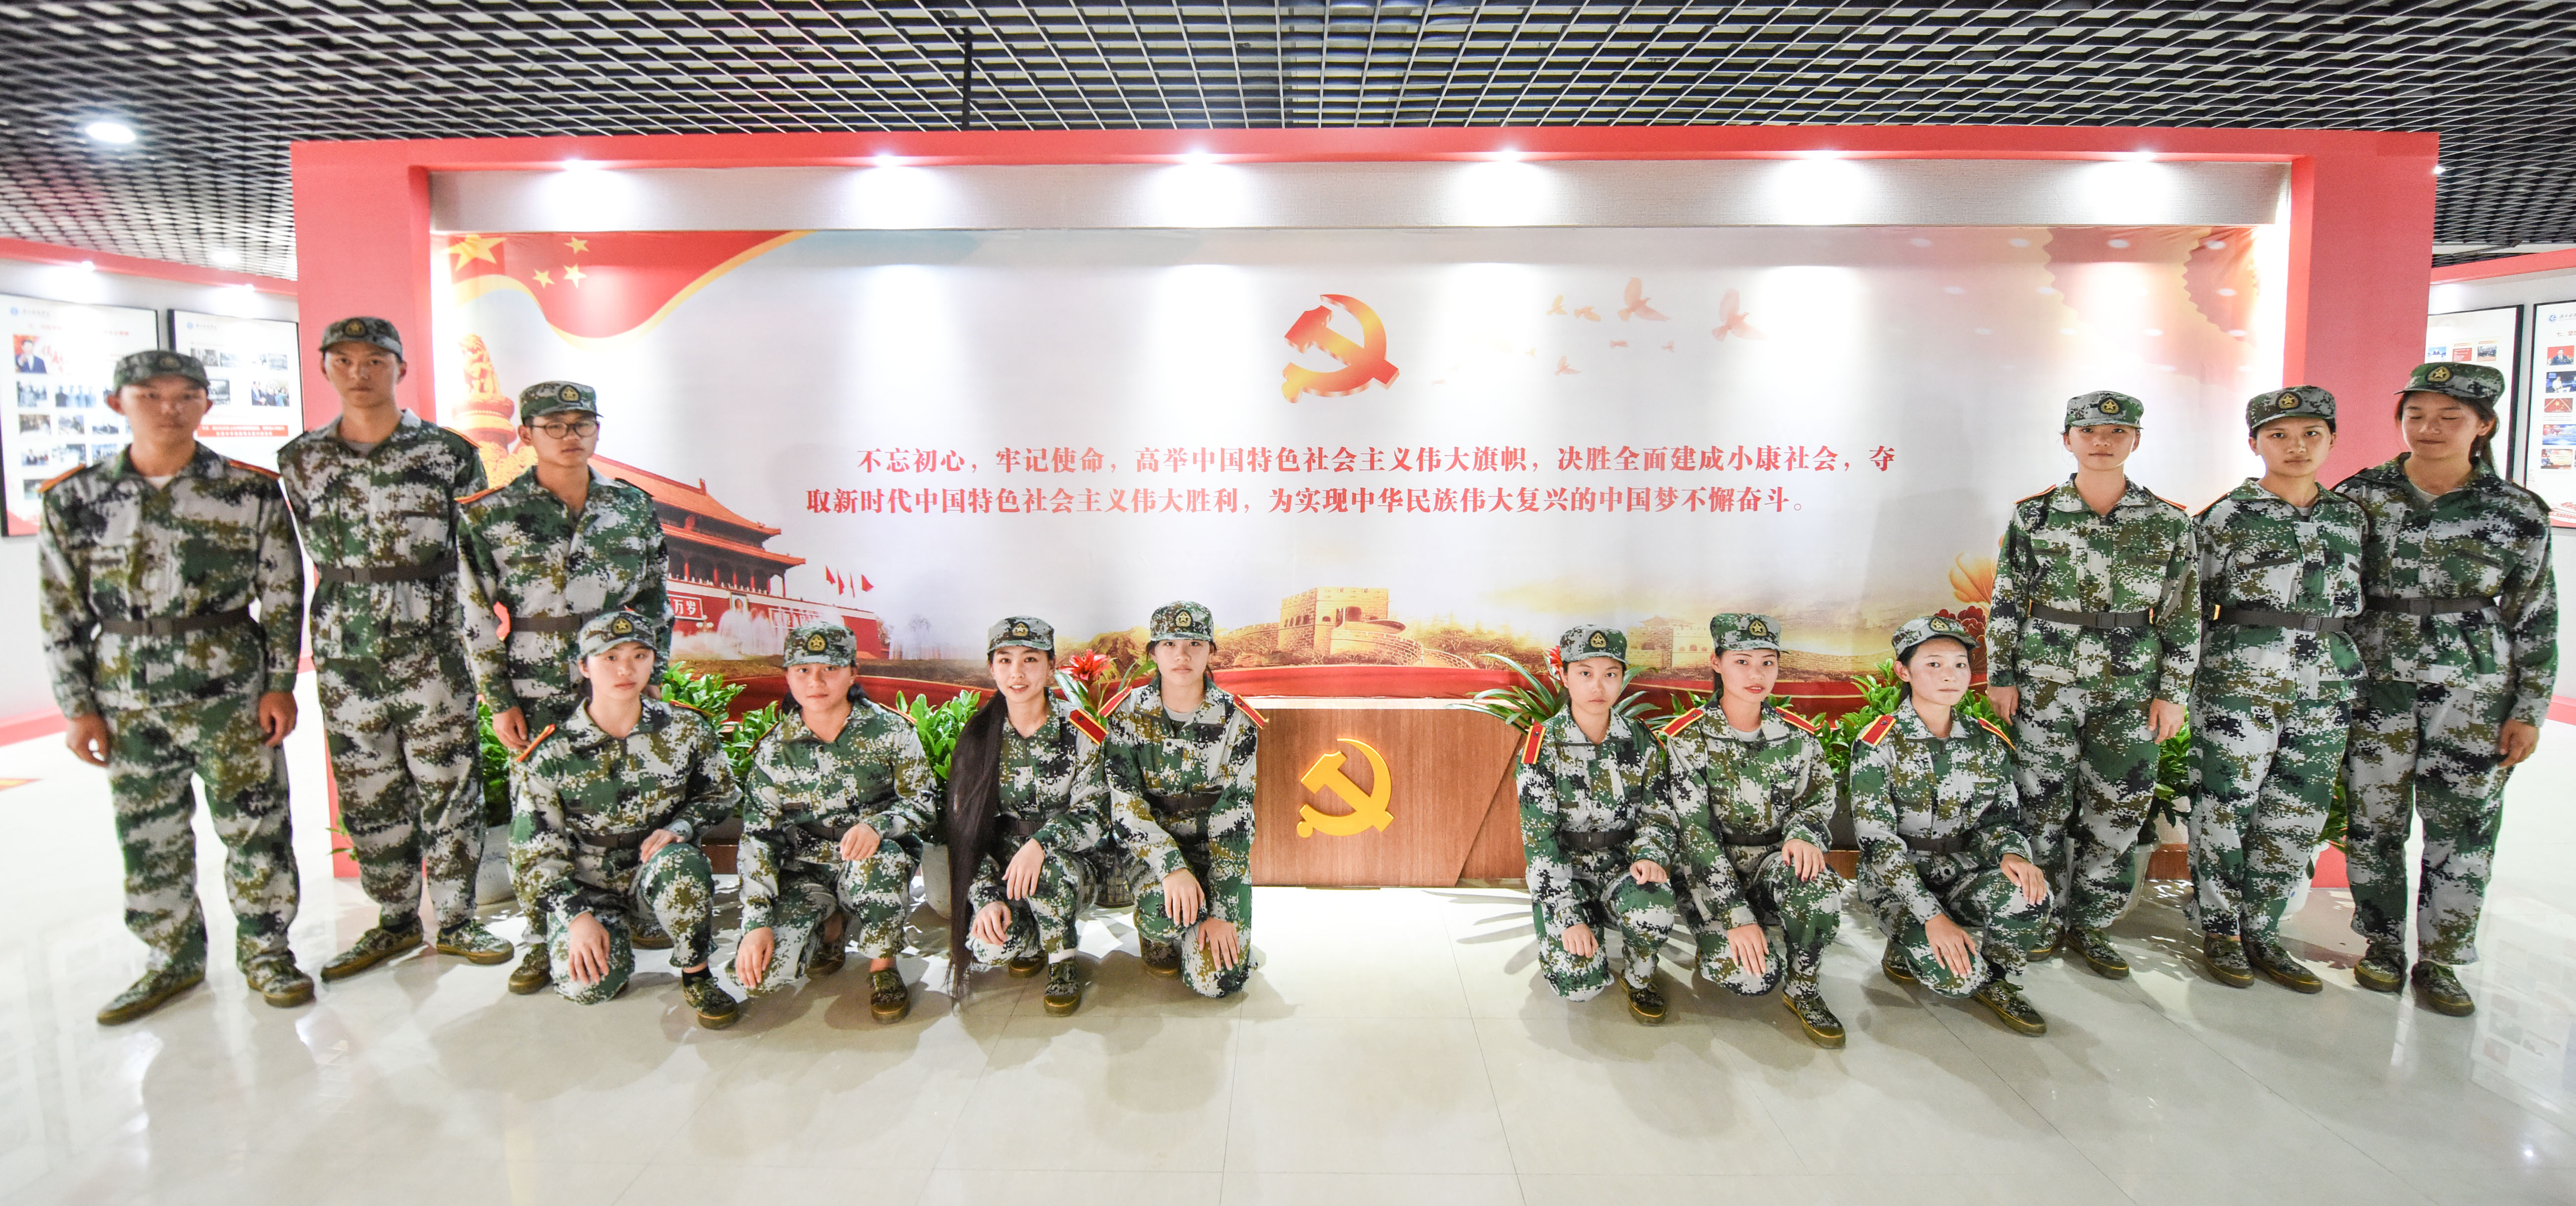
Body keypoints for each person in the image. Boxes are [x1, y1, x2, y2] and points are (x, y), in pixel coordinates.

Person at [38, 350, 310, 1023]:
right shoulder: (75, 498)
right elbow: (59, 610)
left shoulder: (248, 491)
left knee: (257, 826)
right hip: (126, 696)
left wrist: (280, 682)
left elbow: (282, 592)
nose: (170, 408)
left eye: (186, 395)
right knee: (149, 835)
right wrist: (77, 706)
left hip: (231, 689)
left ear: (206, 404)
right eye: (151, 395)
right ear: (118, 403)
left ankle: (268, 951)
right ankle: (171, 959)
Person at [276, 317, 510, 980]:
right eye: (344, 359)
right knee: (367, 788)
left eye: (375, 359)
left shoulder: (448, 453)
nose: (360, 372)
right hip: (346, 653)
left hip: (432, 646)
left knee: (450, 784)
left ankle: (458, 918)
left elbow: (474, 558)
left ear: (400, 368)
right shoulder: (301, 461)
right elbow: (297, 562)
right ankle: (395, 918)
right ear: (325, 366)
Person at [2338, 362, 2558, 1016]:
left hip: (2473, 692)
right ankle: (2381, 944)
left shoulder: (2516, 511)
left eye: (2449, 417)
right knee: (2373, 820)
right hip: (2375, 684)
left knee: (2462, 827)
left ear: (2483, 425)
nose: (2428, 428)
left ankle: (2441, 959)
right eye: (2416, 415)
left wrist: (2529, 708)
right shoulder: (2361, 497)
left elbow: (2535, 614)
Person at [456, 381, 670, 995]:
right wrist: (499, 699)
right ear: (526, 434)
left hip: (620, 673)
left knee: (630, 785)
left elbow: (655, 596)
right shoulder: (490, 513)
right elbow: (474, 614)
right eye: (553, 425)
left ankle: (636, 905)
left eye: (581, 424)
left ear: (597, 430)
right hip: (537, 675)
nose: (570, 436)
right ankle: (544, 926)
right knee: (538, 806)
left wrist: (654, 673)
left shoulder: (630, 507)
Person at [1984, 389, 2200, 978]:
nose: (2102, 442)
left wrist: (2173, 693)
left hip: (2132, 686)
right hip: (2045, 682)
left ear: (2136, 440)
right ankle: (2040, 914)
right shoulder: (2035, 516)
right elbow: (2006, 601)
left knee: (2120, 809)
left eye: (2117, 432)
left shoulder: (2168, 521)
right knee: (2039, 805)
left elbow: (2182, 612)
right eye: (2088, 432)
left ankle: (2092, 923)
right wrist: (2000, 676)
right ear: (2068, 439)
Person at [2187, 387, 2367, 992]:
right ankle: (2220, 930)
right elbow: (2190, 608)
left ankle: (2262, 930)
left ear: (2332, 439)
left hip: (2326, 684)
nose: (2296, 447)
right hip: (2241, 682)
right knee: (2226, 804)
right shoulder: (2224, 518)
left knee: (2297, 810)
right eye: (2279, 435)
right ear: (2255, 443)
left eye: (2311, 434)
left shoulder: (2349, 518)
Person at [509, 611, 739, 1028]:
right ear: (584, 666)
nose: (625, 670)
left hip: (657, 871)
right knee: (588, 988)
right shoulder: (554, 752)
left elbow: (721, 793)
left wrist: (681, 827)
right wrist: (577, 919)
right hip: (590, 885)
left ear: (653, 661)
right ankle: (591, 934)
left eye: (638, 656)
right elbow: (534, 855)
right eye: (610, 657)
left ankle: (697, 974)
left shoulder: (684, 729)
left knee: (682, 862)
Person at [1853, 615, 2054, 1035]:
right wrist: (1931, 916)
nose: (1950, 675)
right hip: (1898, 884)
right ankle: (1908, 940)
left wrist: (2012, 853)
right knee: (1955, 980)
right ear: (1903, 671)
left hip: (1963, 873)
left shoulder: (1986, 740)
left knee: (2031, 894)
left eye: (1960, 664)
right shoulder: (1878, 743)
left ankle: (1995, 979)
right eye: (1934, 664)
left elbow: (2001, 819)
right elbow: (1878, 844)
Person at [733, 621, 940, 1023]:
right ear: (788, 675)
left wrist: (878, 826)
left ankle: (883, 965)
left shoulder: (889, 730)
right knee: (761, 976)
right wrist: (756, 921)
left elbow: (924, 802)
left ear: (852, 672)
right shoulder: (774, 750)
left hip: (870, 858)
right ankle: (831, 925)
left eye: (829, 668)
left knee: (878, 861)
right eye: (803, 670)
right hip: (805, 868)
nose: (816, 681)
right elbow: (758, 837)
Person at [1659, 614, 1849, 1046]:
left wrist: (1803, 833)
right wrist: (1735, 913)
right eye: (1742, 662)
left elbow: (1815, 802)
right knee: (1752, 978)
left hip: (1771, 864)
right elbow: (1695, 834)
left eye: (1767, 662)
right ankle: (1722, 936)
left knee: (1818, 883)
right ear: (1716, 662)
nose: (1756, 675)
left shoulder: (1798, 738)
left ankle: (1804, 989)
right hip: (1710, 877)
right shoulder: (1686, 739)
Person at [941, 617, 1113, 1016]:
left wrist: (1040, 844)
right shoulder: (979, 736)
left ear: (1051, 667)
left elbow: (1095, 812)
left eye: (1030, 659)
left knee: (1047, 869)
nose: (1016, 673)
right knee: (988, 946)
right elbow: (967, 833)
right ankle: (1033, 938)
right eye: (1005, 660)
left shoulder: (1079, 730)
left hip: (1068, 866)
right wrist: (985, 898)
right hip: (1004, 870)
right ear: (991, 668)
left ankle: (1062, 958)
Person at [1514, 624, 1678, 1024]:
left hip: (1623, 867)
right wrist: (1567, 914)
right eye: (1585, 673)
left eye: (1610, 674)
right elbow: (1539, 841)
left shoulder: (1640, 740)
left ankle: (1639, 977)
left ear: (1622, 678)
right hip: (1566, 874)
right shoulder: (1542, 745)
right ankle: (1565, 937)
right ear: (1564, 676)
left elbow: (1658, 813)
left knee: (1656, 907)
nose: (1597, 686)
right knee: (1579, 985)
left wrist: (1650, 855)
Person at [1102, 600, 1263, 999]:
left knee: (1217, 982)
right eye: (1169, 644)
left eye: (1194, 643)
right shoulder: (1125, 716)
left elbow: (1235, 816)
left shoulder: (1236, 720)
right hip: (1154, 855)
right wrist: (1172, 867)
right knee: (1163, 913)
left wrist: (1222, 911)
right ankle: (1161, 932)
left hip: (1213, 853)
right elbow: (1126, 807)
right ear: (1153, 653)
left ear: (1210, 651)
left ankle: (1202, 919)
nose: (1182, 655)